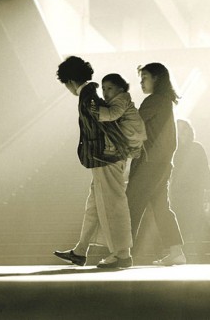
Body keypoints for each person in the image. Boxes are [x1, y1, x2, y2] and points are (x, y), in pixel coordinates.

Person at [53, 56, 133, 269]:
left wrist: (109, 151)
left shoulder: (88, 95)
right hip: (107, 157)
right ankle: (80, 251)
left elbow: (105, 123)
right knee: (95, 205)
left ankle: (121, 254)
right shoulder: (93, 92)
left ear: (70, 81)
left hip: (106, 158)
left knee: (111, 204)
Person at [126, 62, 186, 266]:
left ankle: (123, 253)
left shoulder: (154, 101)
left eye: (145, 78)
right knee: (161, 207)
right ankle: (176, 251)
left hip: (150, 163)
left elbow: (133, 123)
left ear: (157, 79)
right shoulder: (165, 101)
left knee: (131, 203)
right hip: (162, 163)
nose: (141, 83)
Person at [170, 119, 210, 258]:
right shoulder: (172, 149)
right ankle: (181, 251)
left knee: (196, 218)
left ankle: (200, 251)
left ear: (189, 130)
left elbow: (204, 168)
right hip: (177, 191)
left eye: (184, 128)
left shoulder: (196, 147)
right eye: (178, 129)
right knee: (180, 219)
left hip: (195, 190)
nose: (181, 132)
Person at [91, 73, 147, 160]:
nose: (105, 92)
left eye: (109, 88)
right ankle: (132, 152)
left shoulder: (121, 99)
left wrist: (98, 111)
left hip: (131, 129)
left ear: (120, 90)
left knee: (108, 129)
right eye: (103, 89)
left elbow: (113, 114)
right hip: (133, 134)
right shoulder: (117, 100)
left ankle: (110, 151)